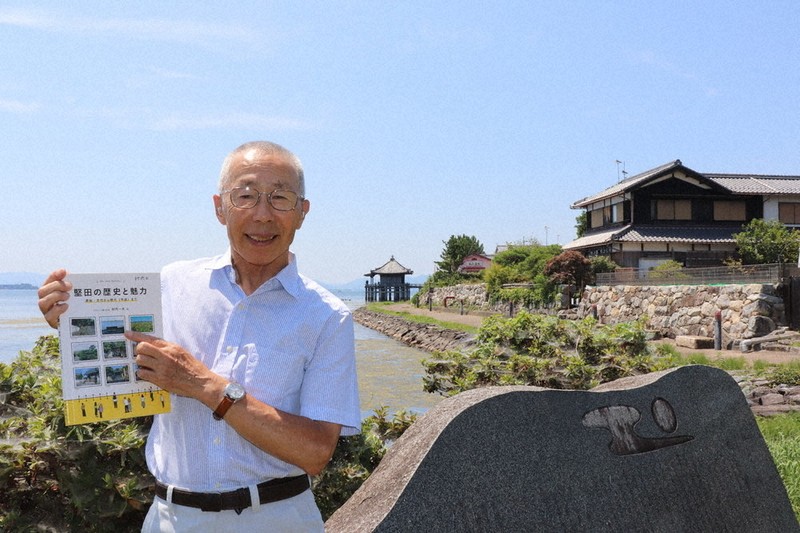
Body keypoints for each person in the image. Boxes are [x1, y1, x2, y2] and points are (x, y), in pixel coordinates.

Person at [38, 141, 361, 532]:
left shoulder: (327, 316)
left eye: (280, 198)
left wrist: (202, 384)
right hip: (172, 518)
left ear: (301, 213)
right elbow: (124, 355)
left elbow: (314, 453)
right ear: (219, 207)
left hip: (279, 518)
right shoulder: (174, 283)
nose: (262, 214)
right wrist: (72, 320)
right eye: (245, 196)